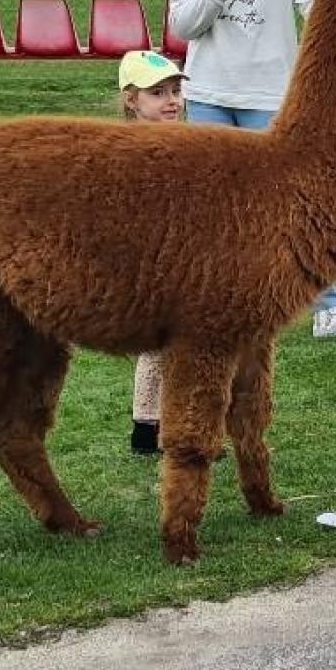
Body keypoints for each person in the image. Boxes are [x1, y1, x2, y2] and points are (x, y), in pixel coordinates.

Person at [168, 0, 336, 339]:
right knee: (212, 207)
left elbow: (316, 7)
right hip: (208, 91)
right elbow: (183, 24)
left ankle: (329, 296)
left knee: (290, 205)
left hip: (269, 96)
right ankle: (229, 297)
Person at [117, 48, 185, 455]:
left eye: (175, 90)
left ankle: (167, 426)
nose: (172, 101)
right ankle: (147, 428)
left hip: (182, 260)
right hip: (148, 263)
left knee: (179, 348)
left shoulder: (183, 142)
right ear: (132, 100)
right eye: (158, 93)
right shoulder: (129, 148)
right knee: (157, 348)